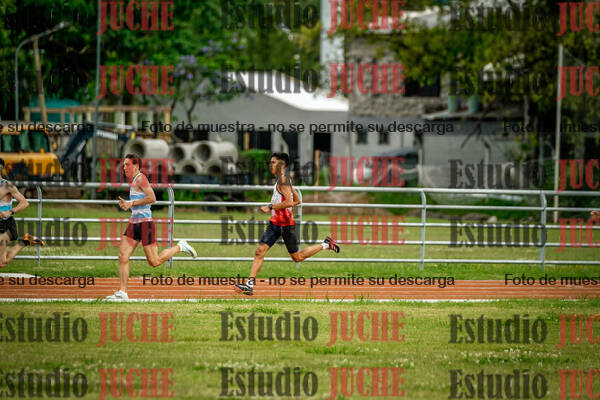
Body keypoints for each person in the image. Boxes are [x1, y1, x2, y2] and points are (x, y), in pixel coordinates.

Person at [235, 152, 340, 296]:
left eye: (273, 162)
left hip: (286, 226)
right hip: (274, 224)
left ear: (282, 165)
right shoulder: (281, 180)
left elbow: (291, 202)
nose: (270, 165)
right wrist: (276, 208)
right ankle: (249, 285)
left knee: (297, 257)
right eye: (270, 162)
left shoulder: (283, 181)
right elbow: (297, 201)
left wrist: (270, 207)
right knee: (259, 251)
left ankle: (326, 244)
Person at [106, 154, 197, 300]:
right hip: (133, 223)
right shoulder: (133, 181)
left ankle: (180, 246)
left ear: (136, 166)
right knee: (123, 256)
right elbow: (140, 200)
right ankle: (122, 293)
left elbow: (152, 198)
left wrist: (131, 203)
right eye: (123, 165)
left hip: (145, 224)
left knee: (154, 262)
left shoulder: (141, 178)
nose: (124, 168)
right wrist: (128, 205)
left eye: (127, 165)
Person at [0, 158, 45, 268]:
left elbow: (25, 203)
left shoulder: (7, 186)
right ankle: (26, 240)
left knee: (1, 263)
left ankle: (26, 241)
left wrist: (10, 211)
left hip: (4, 225)